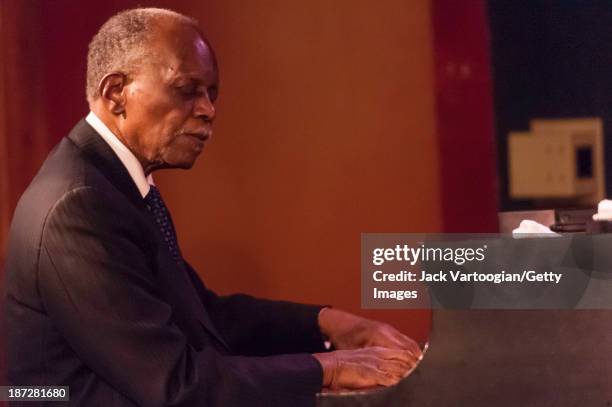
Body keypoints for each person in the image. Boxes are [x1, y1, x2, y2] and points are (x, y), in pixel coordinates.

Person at [3, 8, 421, 406]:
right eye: (186, 90)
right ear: (116, 93)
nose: (208, 110)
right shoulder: (79, 205)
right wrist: (327, 370)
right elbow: (174, 385)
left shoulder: (110, 183)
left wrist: (332, 326)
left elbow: (201, 316)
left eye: (211, 94)